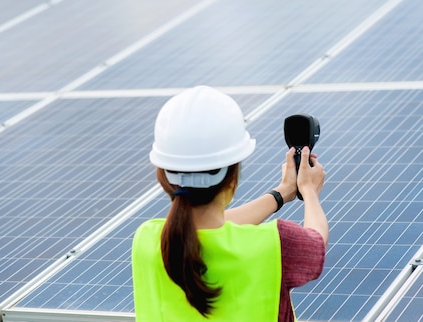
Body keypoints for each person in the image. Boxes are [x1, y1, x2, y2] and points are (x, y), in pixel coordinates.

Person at [132, 85, 328, 322]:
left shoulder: (147, 240)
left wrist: (282, 193)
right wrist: (308, 190)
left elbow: (203, 227)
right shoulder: (277, 243)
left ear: (163, 176)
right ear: (232, 178)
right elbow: (316, 243)